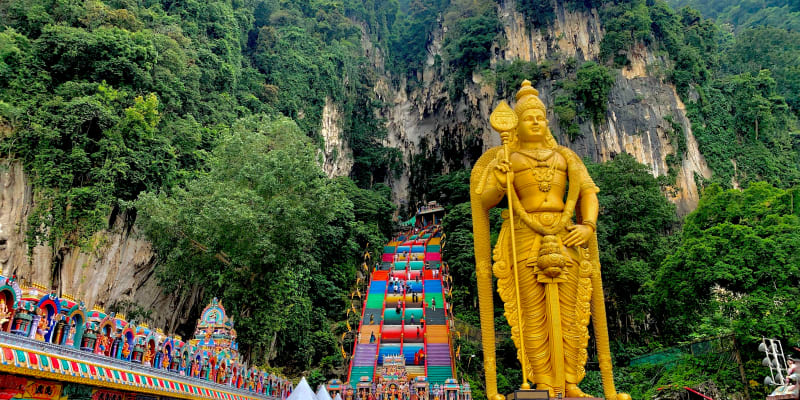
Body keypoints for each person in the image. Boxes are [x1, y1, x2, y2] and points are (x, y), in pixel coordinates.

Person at [471, 80, 628, 399]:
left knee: (572, 312)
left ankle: (570, 382)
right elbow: (483, 201)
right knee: (532, 315)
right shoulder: (508, 158)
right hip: (525, 236)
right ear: (517, 124)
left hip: (566, 234)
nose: (536, 122)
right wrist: (501, 180)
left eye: (541, 117)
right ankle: (543, 381)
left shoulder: (565, 156)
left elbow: (587, 193)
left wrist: (588, 225)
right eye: (529, 117)